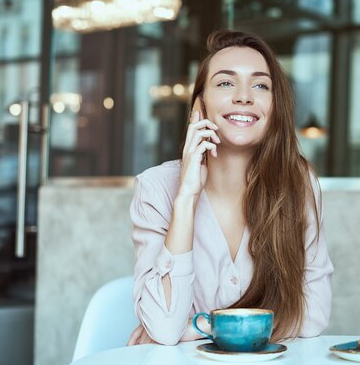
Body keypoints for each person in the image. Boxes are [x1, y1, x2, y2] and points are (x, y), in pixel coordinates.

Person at [127, 30, 334, 346]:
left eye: (261, 85)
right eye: (225, 82)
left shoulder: (299, 183)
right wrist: (186, 197)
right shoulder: (156, 187)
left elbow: (313, 314)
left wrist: (198, 325)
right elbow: (166, 327)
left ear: (274, 106)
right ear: (200, 106)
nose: (244, 96)